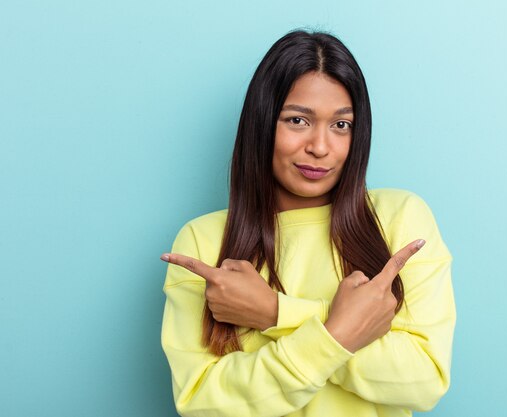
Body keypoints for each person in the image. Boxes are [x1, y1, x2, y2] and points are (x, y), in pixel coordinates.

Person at [159, 29, 456, 417]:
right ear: (262, 124)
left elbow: (424, 378)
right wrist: (342, 330)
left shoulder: (399, 218)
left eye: (341, 125)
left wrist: (274, 313)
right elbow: (201, 401)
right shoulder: (203, 240)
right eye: (298, 120)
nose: (320, 146)